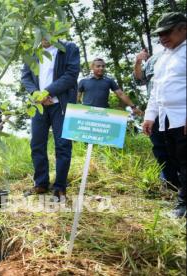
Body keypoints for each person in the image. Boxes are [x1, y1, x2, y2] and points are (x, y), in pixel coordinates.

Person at [21, 39, 80, 201]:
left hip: (61, 105)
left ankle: (60, 187)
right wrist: (36, 94)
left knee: (63, 145)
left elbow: (71, 75)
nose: (44, 36)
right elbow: (26, 77)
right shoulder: (32, 52)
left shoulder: (69, 48)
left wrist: (47, 92)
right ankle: (41, 183)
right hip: (38, 106)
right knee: (37, 144)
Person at [142, 12, 186, 218]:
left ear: (183, 28)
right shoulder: (162, 58)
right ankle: (182, 196)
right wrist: (150, 116)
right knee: (173, 159)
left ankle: (183, 206)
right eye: (159, 34)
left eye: (167, 32)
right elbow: (156, 90)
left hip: (183, 116)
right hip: (166, 118)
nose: (162, 38)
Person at [134, 49, 180, 190]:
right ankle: (171, 184)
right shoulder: (155, 60)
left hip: (179, 110)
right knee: (160, 148)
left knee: (180, 148)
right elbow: (139, 80)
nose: (164, 37)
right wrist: (138, 62)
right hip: (156, 110)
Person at [78, 58, 143, 116]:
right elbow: (76, 98)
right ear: (92, 67)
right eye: (98, 66)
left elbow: (121, 94)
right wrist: (71, 110)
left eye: (103, 66)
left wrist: (133, 107)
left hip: (103, 113)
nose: (101, 68)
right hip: (87, 113)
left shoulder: (109, 81)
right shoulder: (84, 81)